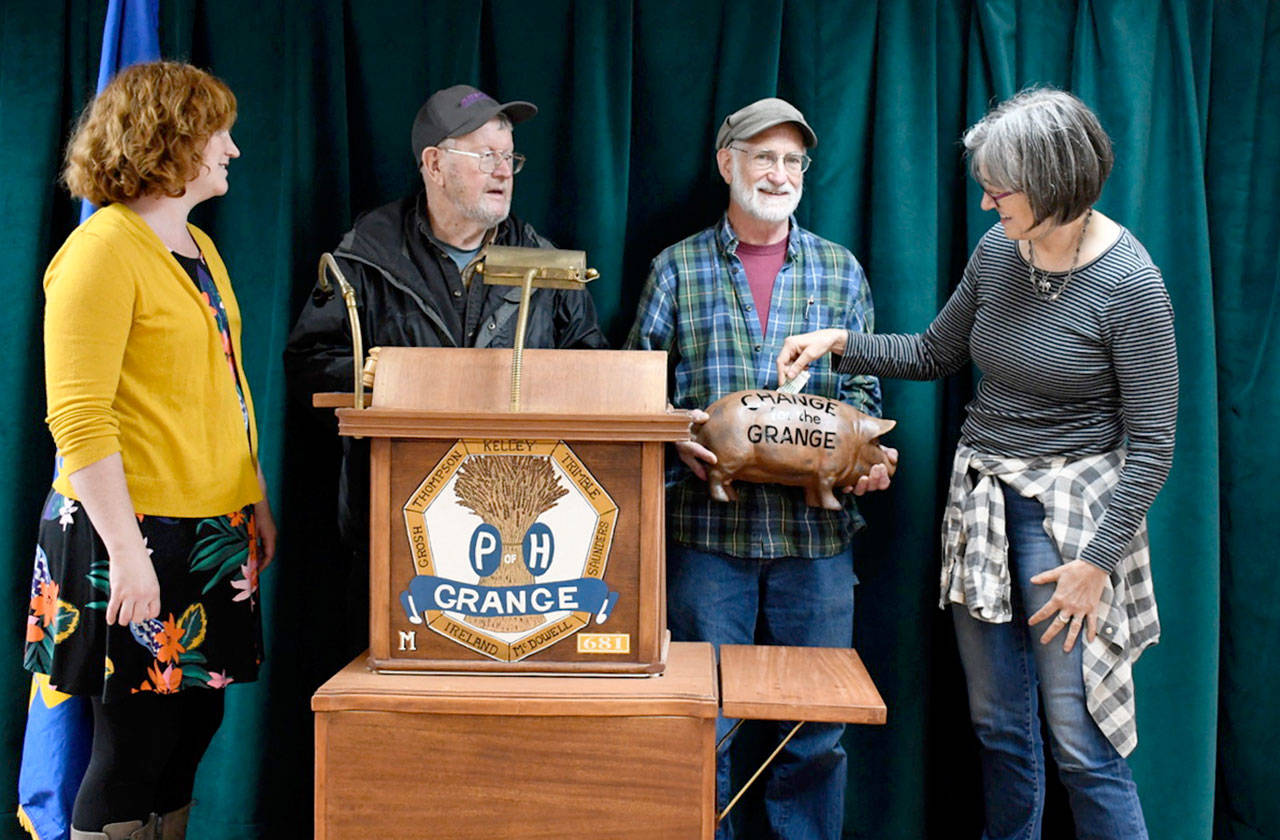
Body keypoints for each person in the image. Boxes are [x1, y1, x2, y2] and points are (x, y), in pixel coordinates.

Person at [778, 88, 1176, 840]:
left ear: (1052, 182)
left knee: (1081, 742)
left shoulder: (1131, 285)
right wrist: (839, 344)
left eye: (1001, 188)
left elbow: (1153, 444)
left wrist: (1096, 565)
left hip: (1070, 525)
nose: (987, 202)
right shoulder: (998, 252)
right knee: (999, 729)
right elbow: (936, 352)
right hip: (984, 504)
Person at [625, 97, 893, 840]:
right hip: (708, 540)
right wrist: (677, 433)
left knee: (814, 733)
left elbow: (865, 397)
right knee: (699, 723)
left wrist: (866, 464)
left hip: (816, 546)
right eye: (764, 157)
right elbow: (636, 394)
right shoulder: (675, 269)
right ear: (727, 164)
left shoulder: (840, 271)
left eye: (793, 161)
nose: (779, 174)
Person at [24, 62, 275, 840]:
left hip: (210, 529)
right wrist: (128, 553)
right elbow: (79, 417)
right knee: (131, 749)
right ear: (171, 139)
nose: (232, 149)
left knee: (191, 730)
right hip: (125, 533)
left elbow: (223, 386)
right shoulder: (101, 251)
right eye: (218, 133)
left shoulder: (198, 246)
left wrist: (254, 498)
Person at [284, 83, 608, 551]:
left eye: (509, 157)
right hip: (398, 519)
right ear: (434, 165)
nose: (504, 172)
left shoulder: (546, 264)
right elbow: (309, 363)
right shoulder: (364, 256)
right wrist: (383, 375)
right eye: (487, 157)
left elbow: (593, 372)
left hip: (519, 521)